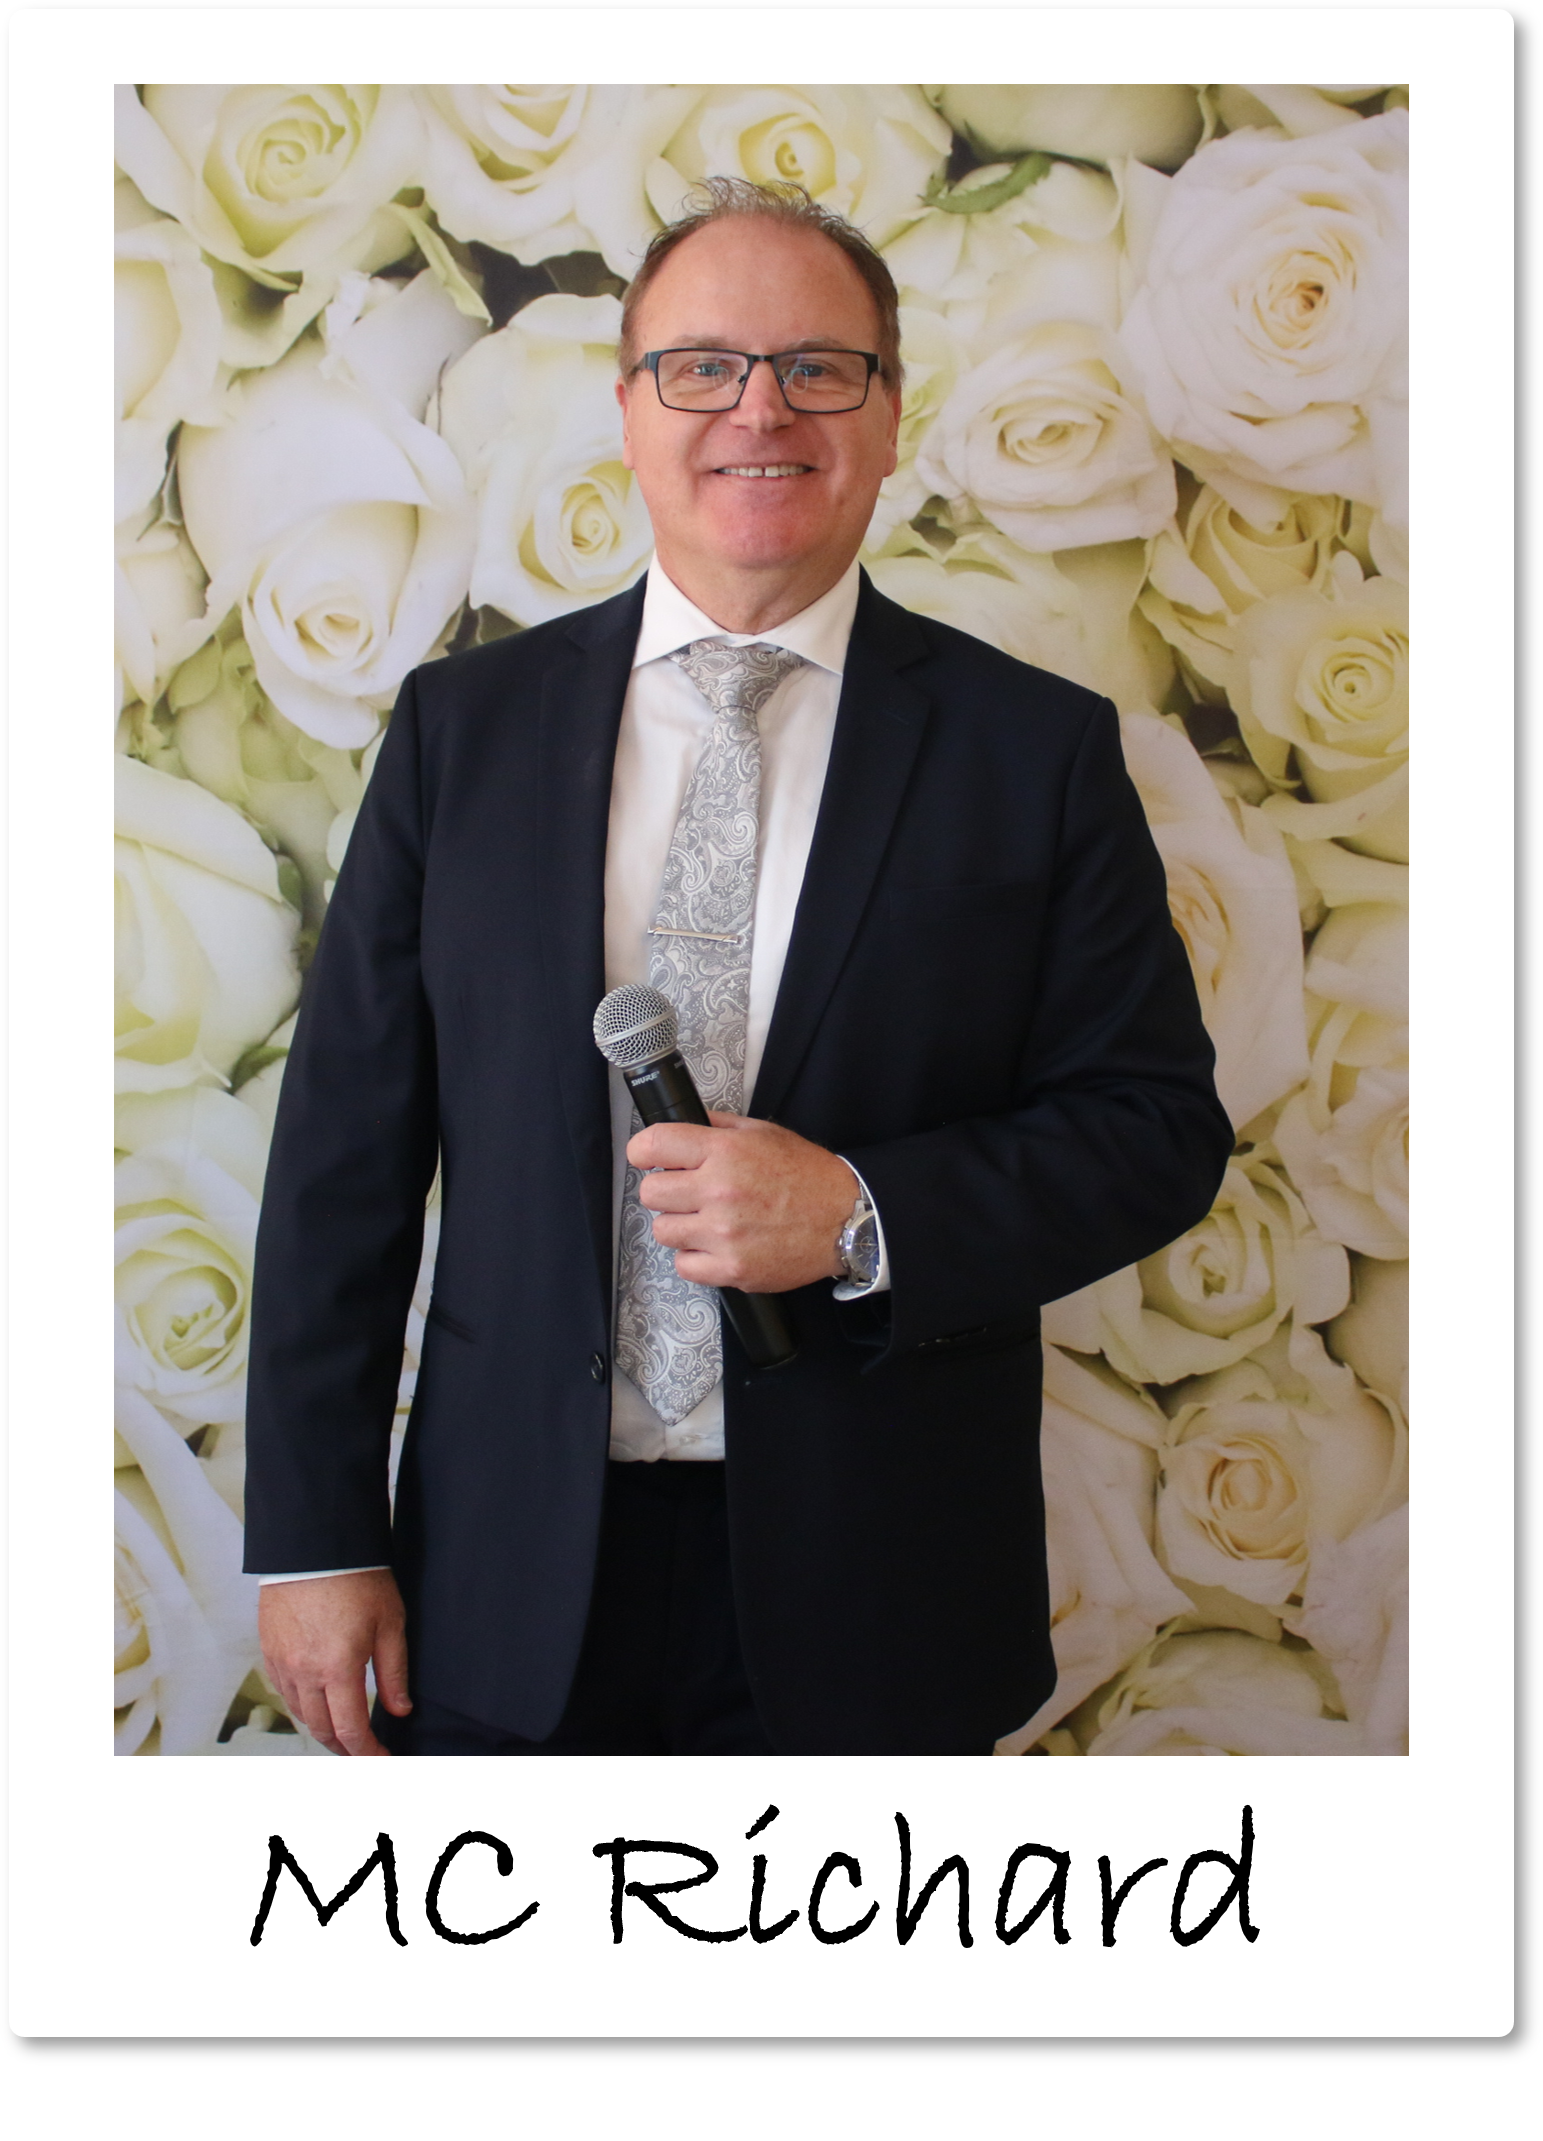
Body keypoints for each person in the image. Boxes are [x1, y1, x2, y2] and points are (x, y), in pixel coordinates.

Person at [245, 178, 1233, 1757]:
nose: (757, 410)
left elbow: (1153, 1133)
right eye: (701, 366)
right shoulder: (460, 734)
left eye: (816, 368)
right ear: (629, 410)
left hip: (882, 1585)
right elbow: (340, 1167)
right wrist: (314, 1538)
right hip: (499, 1580)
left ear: (888, 417)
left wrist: (854, 1210)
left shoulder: (1033, 752)